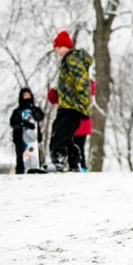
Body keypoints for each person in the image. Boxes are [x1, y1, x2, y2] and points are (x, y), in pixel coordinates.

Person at [43, 30, 93, 172]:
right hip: (68, 105)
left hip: (72, 107)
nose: (57, 51)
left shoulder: (72, 60)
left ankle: (60, 161)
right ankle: (73, 162)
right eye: (56, 49)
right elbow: (69, 85)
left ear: (66, 46)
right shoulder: (69, 61)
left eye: (59, 48)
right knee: (66, 135)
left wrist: (83, 106)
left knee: (58, 133)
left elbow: (82, 82)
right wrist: (57, 93)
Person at [47, 79, 95, 172]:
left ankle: (81, 167)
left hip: (80, 123)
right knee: (66, 144)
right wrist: (57, 89)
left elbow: (88, 93)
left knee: (78, 147)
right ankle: (69, 165)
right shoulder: (65, 83)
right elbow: (52, 98)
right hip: (66, 120)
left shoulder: (84, 81)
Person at [9, 88, 45, 174]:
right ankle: (21, 174)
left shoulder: (35, 109)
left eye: (28, 95)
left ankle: (35, 171)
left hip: (34, 141)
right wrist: (22, 123)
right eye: (25, 95)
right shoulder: (17, 111)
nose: (27, 97)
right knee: (21, 160)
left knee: (35, 157)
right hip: (20, 140)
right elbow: (13, 123)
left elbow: (40, 117)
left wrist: (33, 110)